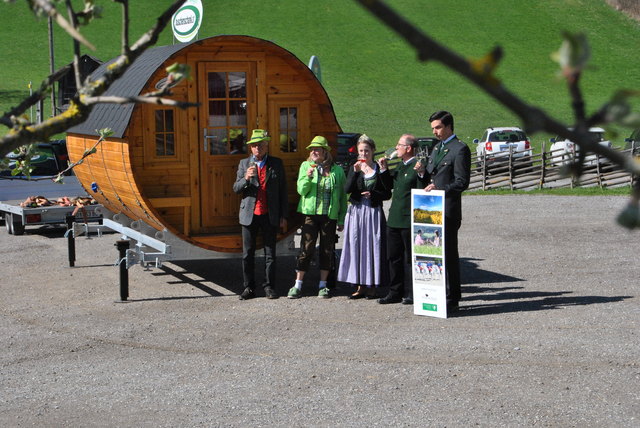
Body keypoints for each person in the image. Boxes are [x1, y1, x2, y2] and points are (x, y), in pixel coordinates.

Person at [288, 136, 347, 299]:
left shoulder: (337, 170)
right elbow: (301, 191)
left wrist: (341, 219)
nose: (313, 152)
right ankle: (297, 285)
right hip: (310, 215)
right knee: (306, 248)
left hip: (329, 215)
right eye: (312, 149)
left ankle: (323, 285)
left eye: (317, 149)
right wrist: (308, 176)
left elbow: (342, 196)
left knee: (326, 250)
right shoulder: (306, 166)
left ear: (325, 151)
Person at [233, 129, 288, 300]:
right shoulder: (244, 164)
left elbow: (283, 192)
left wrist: (283, 216)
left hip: (269, 214)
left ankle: (269, 287)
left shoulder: (276, 164)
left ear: (266, 146)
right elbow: (236, 188)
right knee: (247, 254)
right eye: (254, 146)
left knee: (270, 253)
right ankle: (249, 288)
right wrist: (246, 179)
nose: (257, 149)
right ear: (250, 148)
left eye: (261, 145)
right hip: (249, 215)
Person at [424, 111, 471, 312]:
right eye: (433, 128)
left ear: (449, 126)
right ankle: (435, 293)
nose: (435, 132)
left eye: (438, 127)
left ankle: (452, 298)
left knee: (448, 254)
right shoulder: (437, 148)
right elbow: (431, 173)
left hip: (447, 210)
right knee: (432, 253)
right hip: (429, 209)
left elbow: (461, 182)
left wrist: (439, 190)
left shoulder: (459, 149)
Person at [337, 134, 391, 299]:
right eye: (361, 151)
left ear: (373, 151)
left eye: (366, 151)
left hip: (373, 212)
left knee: (373, 247)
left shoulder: (378, 168)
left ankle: (372, 285)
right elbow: (346, 190)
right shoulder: (355, 168)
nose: (363, 154)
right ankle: (359, 285)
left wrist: (373, 194)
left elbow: (387, 193)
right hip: (357, 212)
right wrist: (354, 173)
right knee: (357, 246)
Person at [377, 134, 429, 305]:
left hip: (408, 220)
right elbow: (389, 187)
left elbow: (423, 190)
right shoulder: (401, 166)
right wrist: (384, 170)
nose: (396, 147)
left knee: (410, 258)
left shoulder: (416, 166)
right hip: (394, 219)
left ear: (408, 148)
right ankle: (395, 292)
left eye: (399, 145)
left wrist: (422, 174)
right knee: (394, 257)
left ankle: (412, 292)